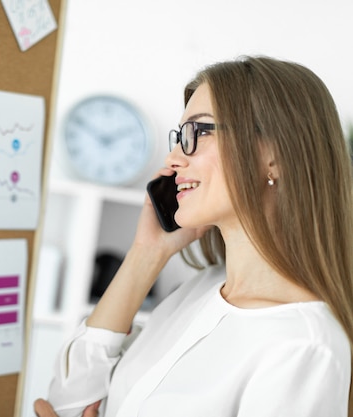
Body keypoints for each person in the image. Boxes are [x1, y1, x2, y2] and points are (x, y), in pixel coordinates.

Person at [34, 56, 353, 417]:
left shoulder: (305, 348)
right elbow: (65, 405)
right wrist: (146, 254)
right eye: (179, 137)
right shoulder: (198, 292)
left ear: (274, 156)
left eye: (196, 134)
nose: (172, 159)